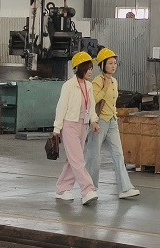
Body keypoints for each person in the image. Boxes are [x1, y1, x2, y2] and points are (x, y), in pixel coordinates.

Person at [84, 47, 139, 200]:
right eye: (110, 63)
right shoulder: (98, 81)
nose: (113, 66)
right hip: (99, 121)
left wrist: (114, 114)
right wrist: (105, 88)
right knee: (94, 156)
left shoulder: (114, 81)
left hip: (112, 121)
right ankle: (89, 189)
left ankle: (125, 188)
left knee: (118, 154)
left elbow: (112, 102)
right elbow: (93, 100)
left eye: (115, 63)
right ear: (103, 65)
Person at [52, 51, 100, 205]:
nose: (90, 71)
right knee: (78, 159)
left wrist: (94, 121)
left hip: (83, 125)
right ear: (79, 68)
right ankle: (87, 190)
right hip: (70, 124)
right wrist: (57, 128)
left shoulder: (89, 86)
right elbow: (61, 107)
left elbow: (91, 106)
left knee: (72, 159)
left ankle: (62, 189)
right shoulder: (68, 86)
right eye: (88, 68)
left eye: (91, 68)